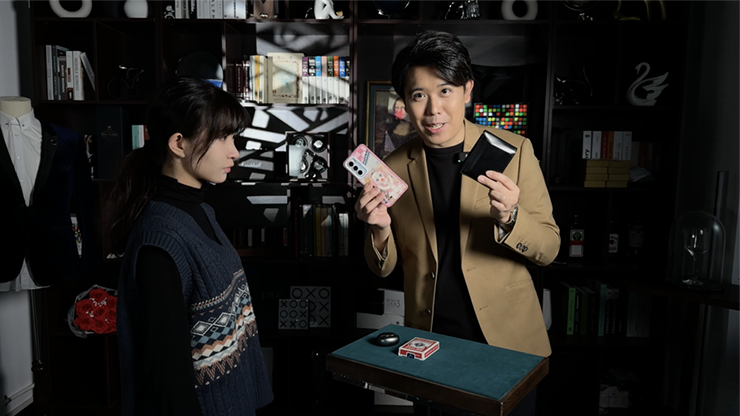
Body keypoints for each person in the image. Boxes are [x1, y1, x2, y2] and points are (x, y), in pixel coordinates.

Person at [355, 31, 560, 416]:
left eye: (445, 91)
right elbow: (382, 268)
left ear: (467, 90)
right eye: (419, 95)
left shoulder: (515, 151)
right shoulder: (392, 167)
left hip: (508, 344)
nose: (434, 109)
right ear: (404, 102)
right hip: (431, 343)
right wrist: (379, 229)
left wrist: (510, 217)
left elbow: (548, 250)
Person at [104, 76, 273, 416]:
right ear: (179, 144)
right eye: (222, 137)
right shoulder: (160, 239)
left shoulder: (201, 210)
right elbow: (167, 377)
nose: (234, 151)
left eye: (233, 137)